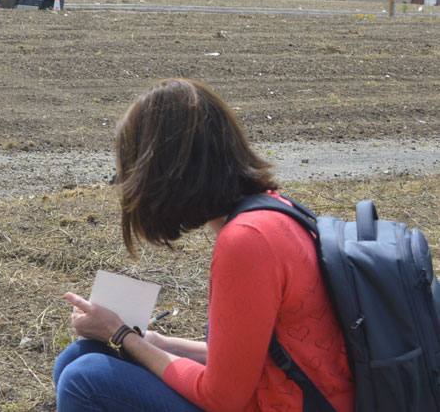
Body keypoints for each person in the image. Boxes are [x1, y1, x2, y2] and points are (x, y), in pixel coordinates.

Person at [53, 79, 354, 412]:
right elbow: (248, 357)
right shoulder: (274, 210)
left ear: (165, 170)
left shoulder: (246, 242)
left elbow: (222, 398)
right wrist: (153, 342)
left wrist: (123, 335)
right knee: (80, 356)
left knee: (84, 378)